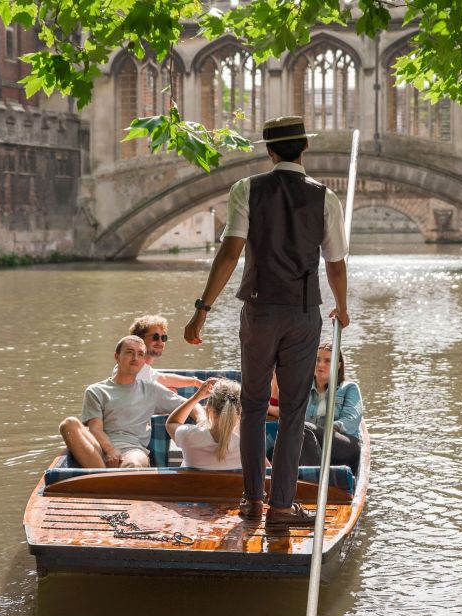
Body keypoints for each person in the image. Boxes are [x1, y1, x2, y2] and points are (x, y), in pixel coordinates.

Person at [183, 115, 349, 528]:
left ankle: (252, 501)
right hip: (303, 312)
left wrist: (202, 310)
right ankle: (281, 506)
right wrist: (342, 309)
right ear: (304, 149)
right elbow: (337, 266)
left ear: (270, 151)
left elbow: (230, 253)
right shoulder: (325, 198)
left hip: (258, 310)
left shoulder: (247, 190)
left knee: (254, 406)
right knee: (293, 412)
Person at [59, 336, 202, 468]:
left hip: (132, 450)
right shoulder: (96, 390)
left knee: (134, 463)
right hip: (97, 447)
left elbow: (191, 405)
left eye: (140, 354)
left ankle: (101, 480)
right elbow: (95, 429)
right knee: (68, 424)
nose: (135, 358)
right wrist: (110, 450)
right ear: (117, 357)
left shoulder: (151, 390)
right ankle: (104, 478)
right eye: (129, 352)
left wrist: (203, 419)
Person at [300, 343, 364, 470]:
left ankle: (313, 478)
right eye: (317, 359)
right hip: (309, 446)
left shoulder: (349, 388)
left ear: (338, 365)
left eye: (327, 361)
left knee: (305, 428)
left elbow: (350, 421)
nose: (320, 365)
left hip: (344, 446)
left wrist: (325, 430)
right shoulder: (303, 389)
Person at [166, 378, 243, 470]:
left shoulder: (189, 436)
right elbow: (264, 470)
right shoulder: (249, 444)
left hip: (192, 484)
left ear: (209, 408)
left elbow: (171, 423)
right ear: (239, 412)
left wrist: (196, 397)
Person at [113, 315, 203, 389]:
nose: (160, 342)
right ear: (139, 339)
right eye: (155, 337)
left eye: (163, 338)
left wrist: (196, 382)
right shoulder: (132, 368)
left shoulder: (144, 368)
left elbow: (163, 378)